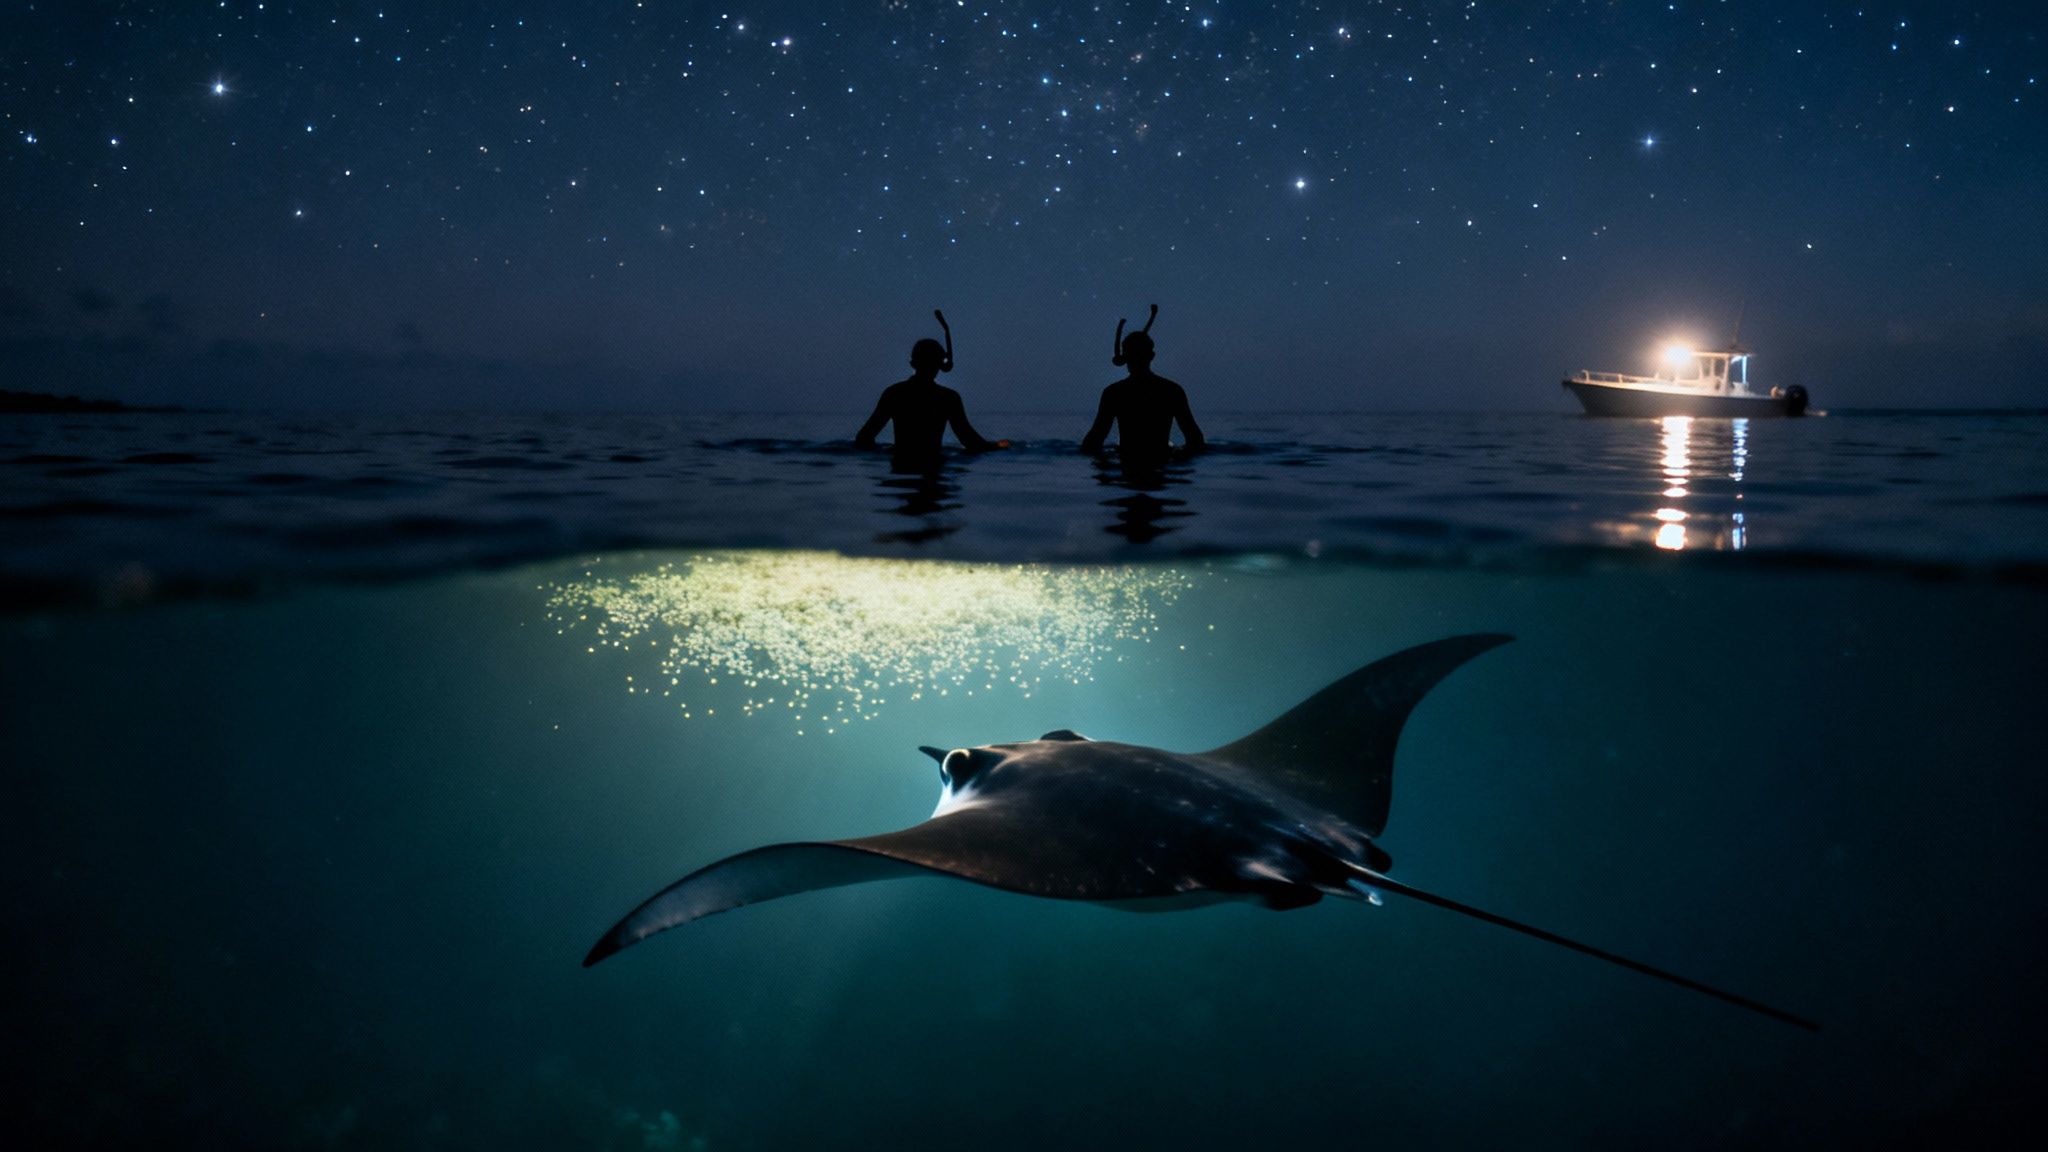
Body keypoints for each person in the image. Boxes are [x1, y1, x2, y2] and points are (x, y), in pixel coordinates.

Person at [854, 310, 1007, 463]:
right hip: (934, 469)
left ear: (913, 363)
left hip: (900, 474)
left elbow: (864, 438)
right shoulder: (948, 398)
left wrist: (882, 453)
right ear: (942, 365)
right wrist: (1001, 445)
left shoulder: (894, 393)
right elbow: (971, 442)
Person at [1079, 305, 1203, 463]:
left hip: (1127, 466)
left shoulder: (1114, 393)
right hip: (1162, 467)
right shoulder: (1172, 391)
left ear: (1124, 358)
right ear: (1151, 356)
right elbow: (1196, 441)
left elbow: (1093, 442)